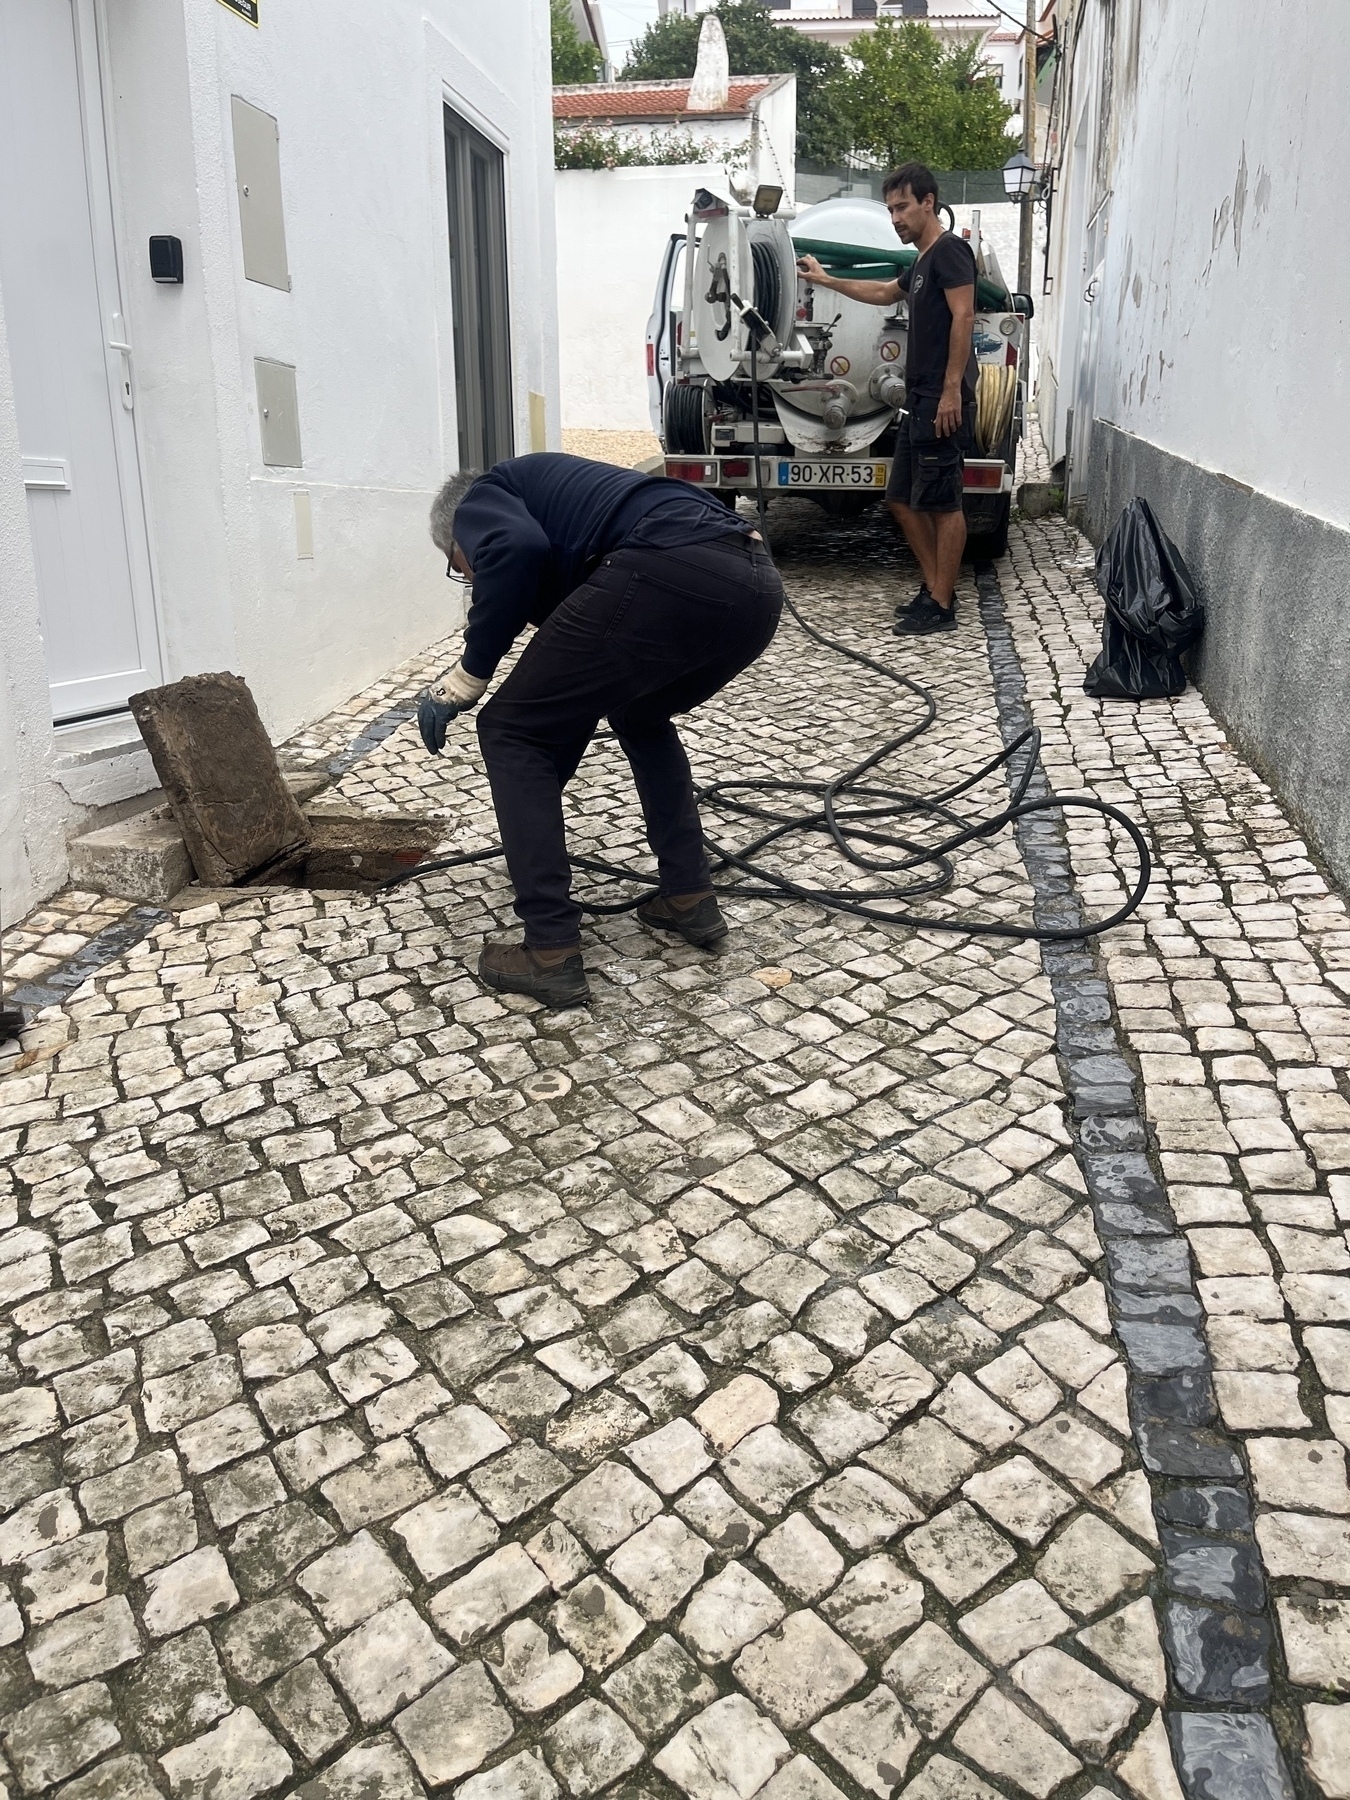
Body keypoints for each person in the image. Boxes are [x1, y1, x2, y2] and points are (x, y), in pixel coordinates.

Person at [419, 453, 783, 1009]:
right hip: (756, 586)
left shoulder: (480, 497)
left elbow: (513, 550)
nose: (468, 577)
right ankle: (688, 895)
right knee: (640, 713)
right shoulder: (562, 506)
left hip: (666, 567)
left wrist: (468, 677)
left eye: (459, 566)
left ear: (459, 535)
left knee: (510, 730)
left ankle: (550, 950)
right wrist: (537, 791)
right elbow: (578, 680)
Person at [797, 162, 977, 637]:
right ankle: (935, 586)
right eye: (891, 209)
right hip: (917, 398)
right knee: (900, 499)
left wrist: (951, 390)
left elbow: (964, 317)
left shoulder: (951, 252)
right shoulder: (921, 261)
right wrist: (826, 279)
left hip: (942, 399)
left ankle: (941, 603)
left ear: (928, 203)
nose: (896, 218)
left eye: (903, 207)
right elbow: (880, 291)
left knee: (944, 504)